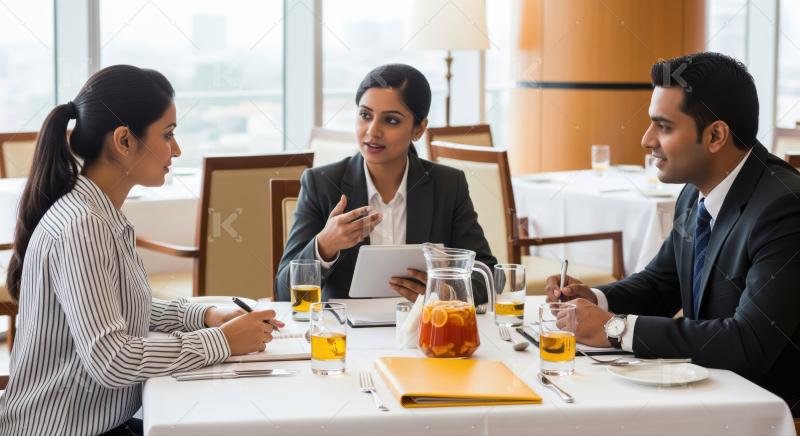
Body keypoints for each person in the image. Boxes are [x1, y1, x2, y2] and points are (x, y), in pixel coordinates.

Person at [0, 65, 284, 436]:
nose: (177, 149)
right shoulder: (82, 225)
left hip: (103, 422)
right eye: (168, 135)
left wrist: (208, 316)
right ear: (124, 141)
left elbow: (126, 311)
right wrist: (222, 342)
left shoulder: (102, 214)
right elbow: (111, 358)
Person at [545, 52, 800, 415]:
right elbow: (659, 284)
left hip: (765, 412)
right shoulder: (695, 191)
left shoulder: (785, 207)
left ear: (715, 136)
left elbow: (749, 342)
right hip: (705, 393)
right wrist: (596, 299)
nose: (647, 140)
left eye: (663, 126)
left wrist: (616, 329)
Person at [275, 64, 496, 304]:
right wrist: (324, 245)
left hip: (423, 332)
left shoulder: (447, 185)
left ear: (419, 129)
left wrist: (447, 292)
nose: (373, 131)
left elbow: (487, 274)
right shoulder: (322, 184)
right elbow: (284, 291)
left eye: (391, 120)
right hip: (346, 335)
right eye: (365, 115)